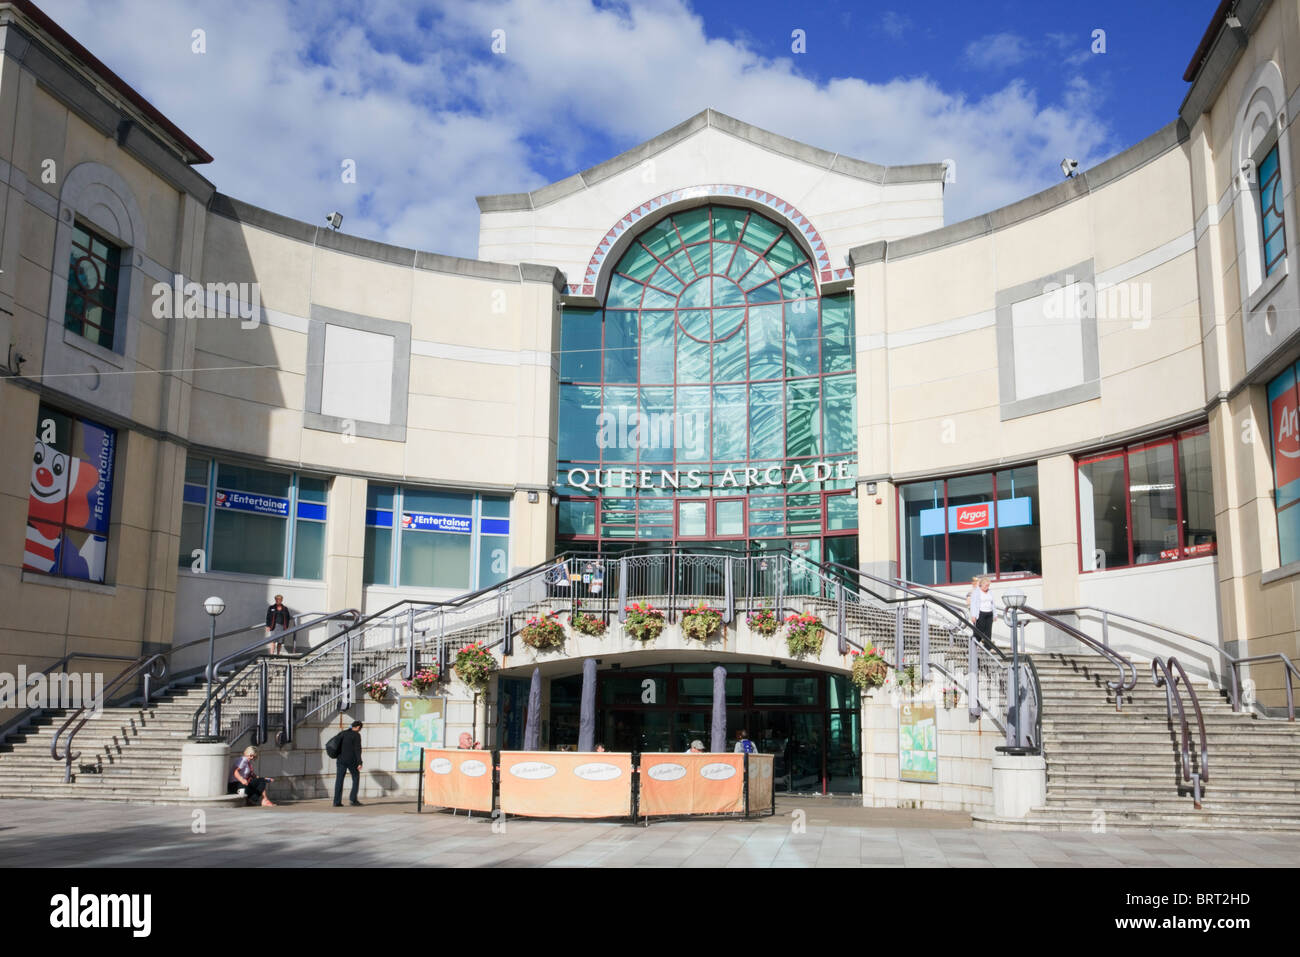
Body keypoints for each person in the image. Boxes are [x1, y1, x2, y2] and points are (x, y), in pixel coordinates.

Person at [332, 720, 364, 807]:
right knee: (356, 778)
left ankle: (336, 801)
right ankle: (353, 799)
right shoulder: (356, 735)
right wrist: (360, 762)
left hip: (340, 760)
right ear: (357, 727)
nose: (359, 730)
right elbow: (357, 749)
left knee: (339, 780)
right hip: (351, 760)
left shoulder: (343, 733)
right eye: (360, 728)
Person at [967, 576, 996, 650]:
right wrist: (973, 615)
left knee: (988, 631)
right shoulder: (976, 592)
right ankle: (974, 644)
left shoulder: (990, 591)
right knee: (980, 630)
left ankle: (988, 647)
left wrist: (994, 614)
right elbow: (973, 604)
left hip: (989, 613)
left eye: (988, 585)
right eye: (986, 585)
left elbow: (993, 603)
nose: (987, 587)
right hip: (980, 613)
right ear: (981, 585)